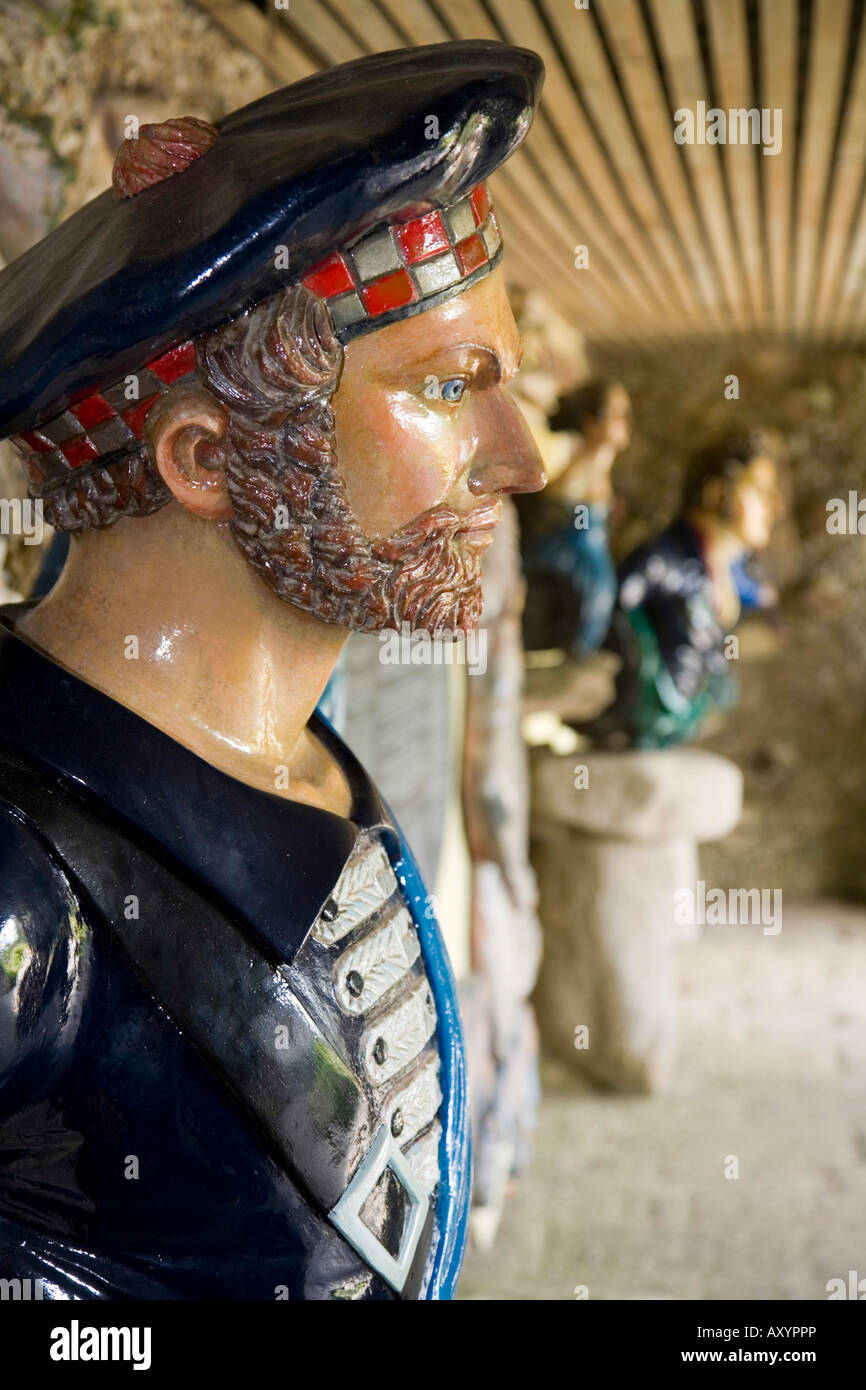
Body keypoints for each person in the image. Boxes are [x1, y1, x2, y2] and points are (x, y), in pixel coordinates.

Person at [0, 42, 545, 1301]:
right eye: (450, 389)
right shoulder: (25, 883)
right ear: (206, 460)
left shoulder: (297, 746)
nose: (518, 459)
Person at [597, 430, 781, 749]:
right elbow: (609, 613)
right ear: (717, 492)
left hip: (677, 721)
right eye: (760, 490)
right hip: (639, 719)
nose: (773, 506)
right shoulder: (664, 562)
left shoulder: (725, 574)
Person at [519, 380, 632, 656]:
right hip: (559, 575)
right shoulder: (571, 457)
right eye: (612, 412)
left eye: (625, 413)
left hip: (591, 585)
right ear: (589, 419)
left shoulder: (604, 469)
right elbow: (554, 502)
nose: (622, 421)